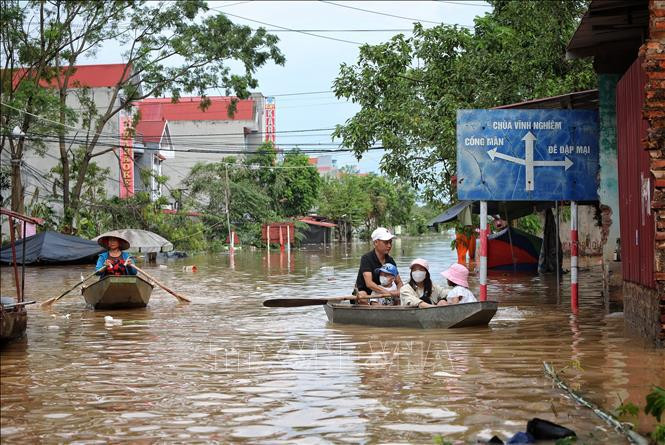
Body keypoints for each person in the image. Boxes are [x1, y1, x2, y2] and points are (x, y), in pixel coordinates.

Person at [354, 227, 403, 305]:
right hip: (367, 292)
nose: (389, 246)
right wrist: (387, 293)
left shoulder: (390, 260)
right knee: (362, 296)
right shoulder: (366, 258)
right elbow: (369, 283)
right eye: (386, 242)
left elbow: (399, 282)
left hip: (384, 294)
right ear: (376, 242)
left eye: (390, 242)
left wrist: (398, 291)